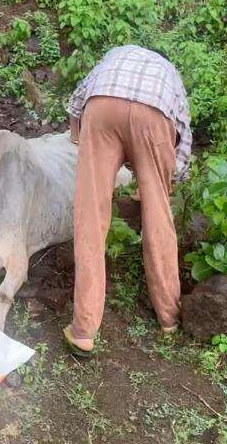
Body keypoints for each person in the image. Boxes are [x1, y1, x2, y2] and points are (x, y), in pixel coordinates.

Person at [63, 44, 192, 356]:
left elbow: (78, 101)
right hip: (154, 116)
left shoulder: (116, 54)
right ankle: (168, 318)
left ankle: (83, 330)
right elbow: (183, 133)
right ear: (163, 56)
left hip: (102, 106)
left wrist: (82, 142)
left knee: (91, 218)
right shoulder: (169, 73)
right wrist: (167, 182)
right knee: (158, 218)